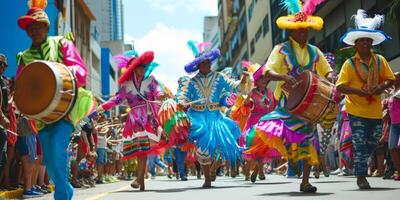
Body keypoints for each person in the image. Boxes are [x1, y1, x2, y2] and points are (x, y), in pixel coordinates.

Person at [245, 0, 332, 193]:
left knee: (308, 138)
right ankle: (270, 161)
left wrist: (330, 79)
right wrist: (283, 76)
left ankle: (305, 182)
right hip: (286, 103)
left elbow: (327, 72)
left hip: (308, 103)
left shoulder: (314, 51)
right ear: (291, 31)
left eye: (306, 29)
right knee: (274, 133)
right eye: (300, 29)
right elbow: (268, 72)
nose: (304, 32)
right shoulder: (280, 49)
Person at [16, 6, 89, 199]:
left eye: (37, 25)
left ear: (46, 27)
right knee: (49, 159)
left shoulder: (62, 44)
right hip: (40, 116)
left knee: (58, 148)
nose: (33, 29)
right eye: (29, 27)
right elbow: (21, 88)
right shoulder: (24, 57)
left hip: (65, 110)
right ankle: (66, 189)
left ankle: (62, 195)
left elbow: (80, 71)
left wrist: (73, 71)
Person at [90, 50, 169, 191]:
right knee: (139, 150)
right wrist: (101, 107)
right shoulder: (126, 85)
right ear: (132, 69)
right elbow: (117, 99)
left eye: (143, 66)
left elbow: (157, 91)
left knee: (143, 149)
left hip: (148, 118)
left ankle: (139, 179)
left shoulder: (151, 80)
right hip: (134, 121)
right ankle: (141, 180)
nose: (142, 69)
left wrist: (161, 95)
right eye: (139, 66)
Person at [177, 41, 251, 188]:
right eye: (203, 63)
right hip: (198, 117)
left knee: (219, 146)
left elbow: (234, 86)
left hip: (215, 117)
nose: (207, 65)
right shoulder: (192, 82)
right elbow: (184, 95)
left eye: (208, 62)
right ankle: (207, 179)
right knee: (204, 148)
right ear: (198, 65)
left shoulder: (219, 77)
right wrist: (182, 102)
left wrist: (242, 80)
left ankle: (212, 170)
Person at [336, 9, 395, 189]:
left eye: (368, 41)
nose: (365, 43)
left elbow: (390, 79)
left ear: (371, 43)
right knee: (360, 143)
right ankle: (361, 175)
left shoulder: (380, 60)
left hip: (375, 110)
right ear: (356, 44)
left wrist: (381, 87)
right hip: (355, 110)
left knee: (374, 140)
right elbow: (340, 86)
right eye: (361, 41)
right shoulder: (349, 64)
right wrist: (357, 91)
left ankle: (359, 164)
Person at [388, 72, 400, 181]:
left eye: (395, 77)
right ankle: (398, 170)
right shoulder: (392, 92)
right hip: (394, 124)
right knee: (392, 147)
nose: (393, 79)